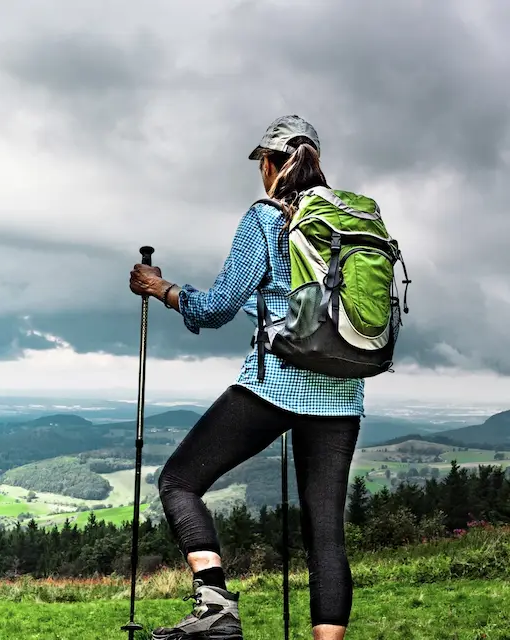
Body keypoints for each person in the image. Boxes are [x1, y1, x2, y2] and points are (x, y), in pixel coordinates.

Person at [128, 114, 361, 640]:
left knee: (179, 481)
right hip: (344, 392)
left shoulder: (267, 216)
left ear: (273, 165)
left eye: (263, 163)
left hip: (277, 382)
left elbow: (215, 307)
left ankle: (215, 607)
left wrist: (162, 290)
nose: (262, 172)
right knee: (326, 535)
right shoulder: (349, 219)